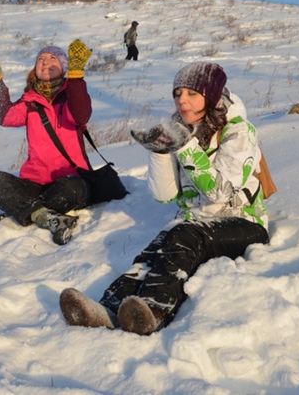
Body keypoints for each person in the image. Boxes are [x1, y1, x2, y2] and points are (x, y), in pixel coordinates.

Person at [60, 62, 270, 335]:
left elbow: (220, 192)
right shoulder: (182, 129)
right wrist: (159, 153)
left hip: (244, 224)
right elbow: (165, 195)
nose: (182, 100)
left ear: (212, 95)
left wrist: (184, 146)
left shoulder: (239, 131)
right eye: (177, 93)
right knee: (153, 251)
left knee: (184, 236)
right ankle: (108, 308)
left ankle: (155, 310)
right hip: (195, 221)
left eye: (192, 94)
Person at [0, 39, 95, 245]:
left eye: (53, 58)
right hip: (35, 183)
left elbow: (81, 115)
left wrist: (76, 76)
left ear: (65, 67)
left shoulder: (71, 95)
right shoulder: (29, 101)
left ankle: (26, 211)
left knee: (73, 187)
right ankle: (41, 214)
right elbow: (5, 117)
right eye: (41, 58)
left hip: (71, 180)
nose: (45, 61)